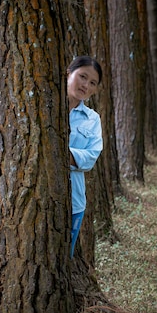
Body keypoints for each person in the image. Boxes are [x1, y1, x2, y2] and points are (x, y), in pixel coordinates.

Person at [67, 55, 103, 258]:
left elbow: (91, 157)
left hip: (74, 201)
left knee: (64, 256)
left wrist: (59, 154)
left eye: (92, 83)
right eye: (82, 76)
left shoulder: (92, 119)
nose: (85, 85)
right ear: (68, 74)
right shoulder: (43, 107)